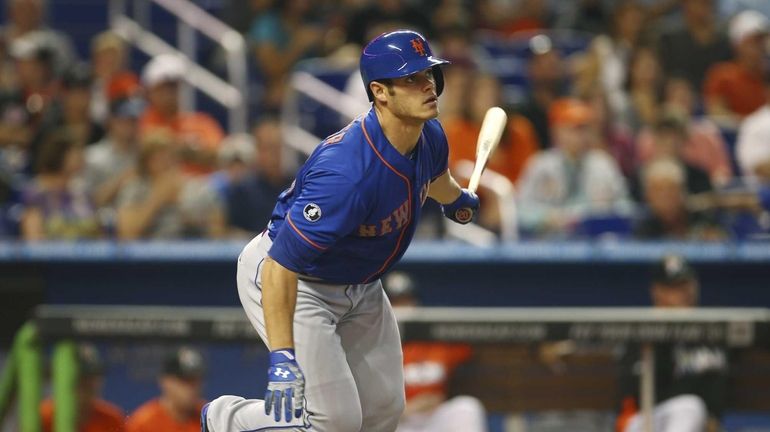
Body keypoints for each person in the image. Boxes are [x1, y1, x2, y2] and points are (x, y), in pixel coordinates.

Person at [202, 29, 480, 432]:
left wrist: (455, 200)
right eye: (411, 79)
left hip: (361, 284)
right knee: (335, 421)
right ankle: (226, 419)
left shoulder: (429, 135)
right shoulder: (347, 172)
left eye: (429, 75)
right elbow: (280, 267)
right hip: (298, 280)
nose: (427, 86)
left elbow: (433, 179)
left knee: (383, 410)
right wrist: (282, 357)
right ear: (380, 93)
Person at [616, 255, 728, 432]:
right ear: (657, 292)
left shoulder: (712, 331)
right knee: (690, 407)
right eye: (673, 287)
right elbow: (640, 395)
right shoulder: (642, 331)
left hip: (694, 425)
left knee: (692, 409)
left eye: (686, 285)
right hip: (643, 421)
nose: (684, 294)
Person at [383, 272, 487, 432]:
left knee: (467, 407)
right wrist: (409, 408)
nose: (402, 307)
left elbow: (479, 347)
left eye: (406, 300)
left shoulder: (436, 339)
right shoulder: (376, 346)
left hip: (435, 418)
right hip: (400, 421)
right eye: (396, 302)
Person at [516, 98, 632, 237]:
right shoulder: (540, 165)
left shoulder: (604, 164)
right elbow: (519, 210)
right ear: (557, 131)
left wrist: (601, 215)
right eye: (574, 128)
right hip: (548, 245)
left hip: (595, 246)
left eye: (585, 128)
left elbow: (626, 209)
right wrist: (547, 217)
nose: (581, 135)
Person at [115, 131, 226, 240]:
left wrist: (192, 215)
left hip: (189, 252)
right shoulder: (135, 188)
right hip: (148, 254)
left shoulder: (196, 187)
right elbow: (126, 234)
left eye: (170, 157)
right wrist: (157, 198)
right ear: (145, 163)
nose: (166, 163)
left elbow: (217, 233)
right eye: (158, 158)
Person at [139, 54, 225, 175]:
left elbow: (220, 156)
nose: (170, 93)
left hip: (202, 188)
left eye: (175, 86)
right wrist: (192, 150)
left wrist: (182, 150)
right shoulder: (140, 122)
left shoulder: (202, 122)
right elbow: (151, 154)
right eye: (164, 86)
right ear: (150, 91)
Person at [20, 133, 101, 240]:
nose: (82, 157)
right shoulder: (36, 191)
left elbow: (98, 231)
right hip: (50, 254)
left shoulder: (81, 190)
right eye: (77, 152)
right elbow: (34, 239)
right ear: (60, 154)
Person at [226, 118, 293, 234]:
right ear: (257, 151)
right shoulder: (242, 189)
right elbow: (231, 230)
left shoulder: (296, 186)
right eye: (267, 148)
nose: (274, 154)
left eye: (277, 147)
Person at [703, 10, 769, 126]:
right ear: (737, 45)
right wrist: (752, 124)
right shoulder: (722, 75)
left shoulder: (766, 76)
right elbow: (716, 114)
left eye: (762, 41)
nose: (761, 47)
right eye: (753, 42)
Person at [40, 344, 125, 432]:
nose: (88, 383)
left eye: (93, 375)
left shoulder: (112, 419)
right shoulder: (42, 416)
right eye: (81, 376)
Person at [634, 158, 725, 240]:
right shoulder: (644, 228)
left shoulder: (703, 218)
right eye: (659, 192)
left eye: (671, 191)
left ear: (682, 192)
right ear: (648, 197)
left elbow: (723, 242)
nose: (665, 198)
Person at [657, 0, 732, 92]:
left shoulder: (723, 40)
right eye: (698, 2)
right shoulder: (670, 38)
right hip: (679, 95)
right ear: (686, 5)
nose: (703, 7)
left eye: (707, 3)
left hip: (715, 96)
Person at [127, 347, 207, 432]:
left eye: (196, 381)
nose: (192, 388)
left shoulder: (209, 417)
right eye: (185, 381)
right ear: (165, 381)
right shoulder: (143, 423)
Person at [84, 97, 142, 210]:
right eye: (124, 120)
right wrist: (122, 180)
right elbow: (88, 202)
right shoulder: (92, 156)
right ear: (111, 121)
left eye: (133, 120)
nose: (130, 126)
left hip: (140, 217)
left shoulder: (143, 154)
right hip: (105, 221)